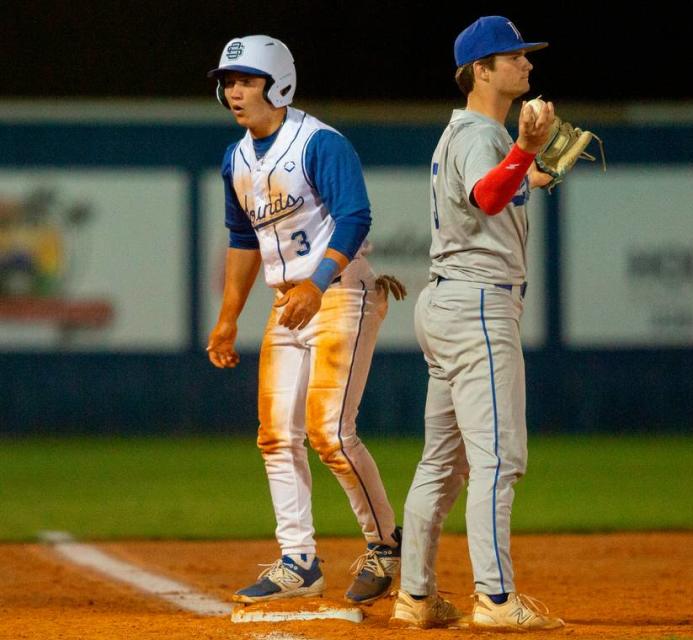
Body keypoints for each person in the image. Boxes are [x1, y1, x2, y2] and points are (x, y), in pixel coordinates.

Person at [205, 34, 406, 606]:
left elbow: (355, 218)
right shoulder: (236, 158)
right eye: (228, 82)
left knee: (331, 433)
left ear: (279, 83)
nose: (235, 91)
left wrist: (317, 285)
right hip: (286, 301)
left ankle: (385, 545)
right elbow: (243, 238)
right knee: (275, 436)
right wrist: (227, 319)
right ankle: (299, 560)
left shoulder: (319, 143)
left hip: (340, 293)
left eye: (246, 80)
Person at [389, 16, 563, 631]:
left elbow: (491, 194)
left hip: (448, 307)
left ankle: (414, 595)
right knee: (498, 458)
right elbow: (488, 196)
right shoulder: (482, 137)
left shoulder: (467, 135)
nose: (527, 64)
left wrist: (530, 172)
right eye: (513, 57)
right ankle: (494, 599)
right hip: (478, 310)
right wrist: (525, 151)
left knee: (443, 461)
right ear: (481, 70)